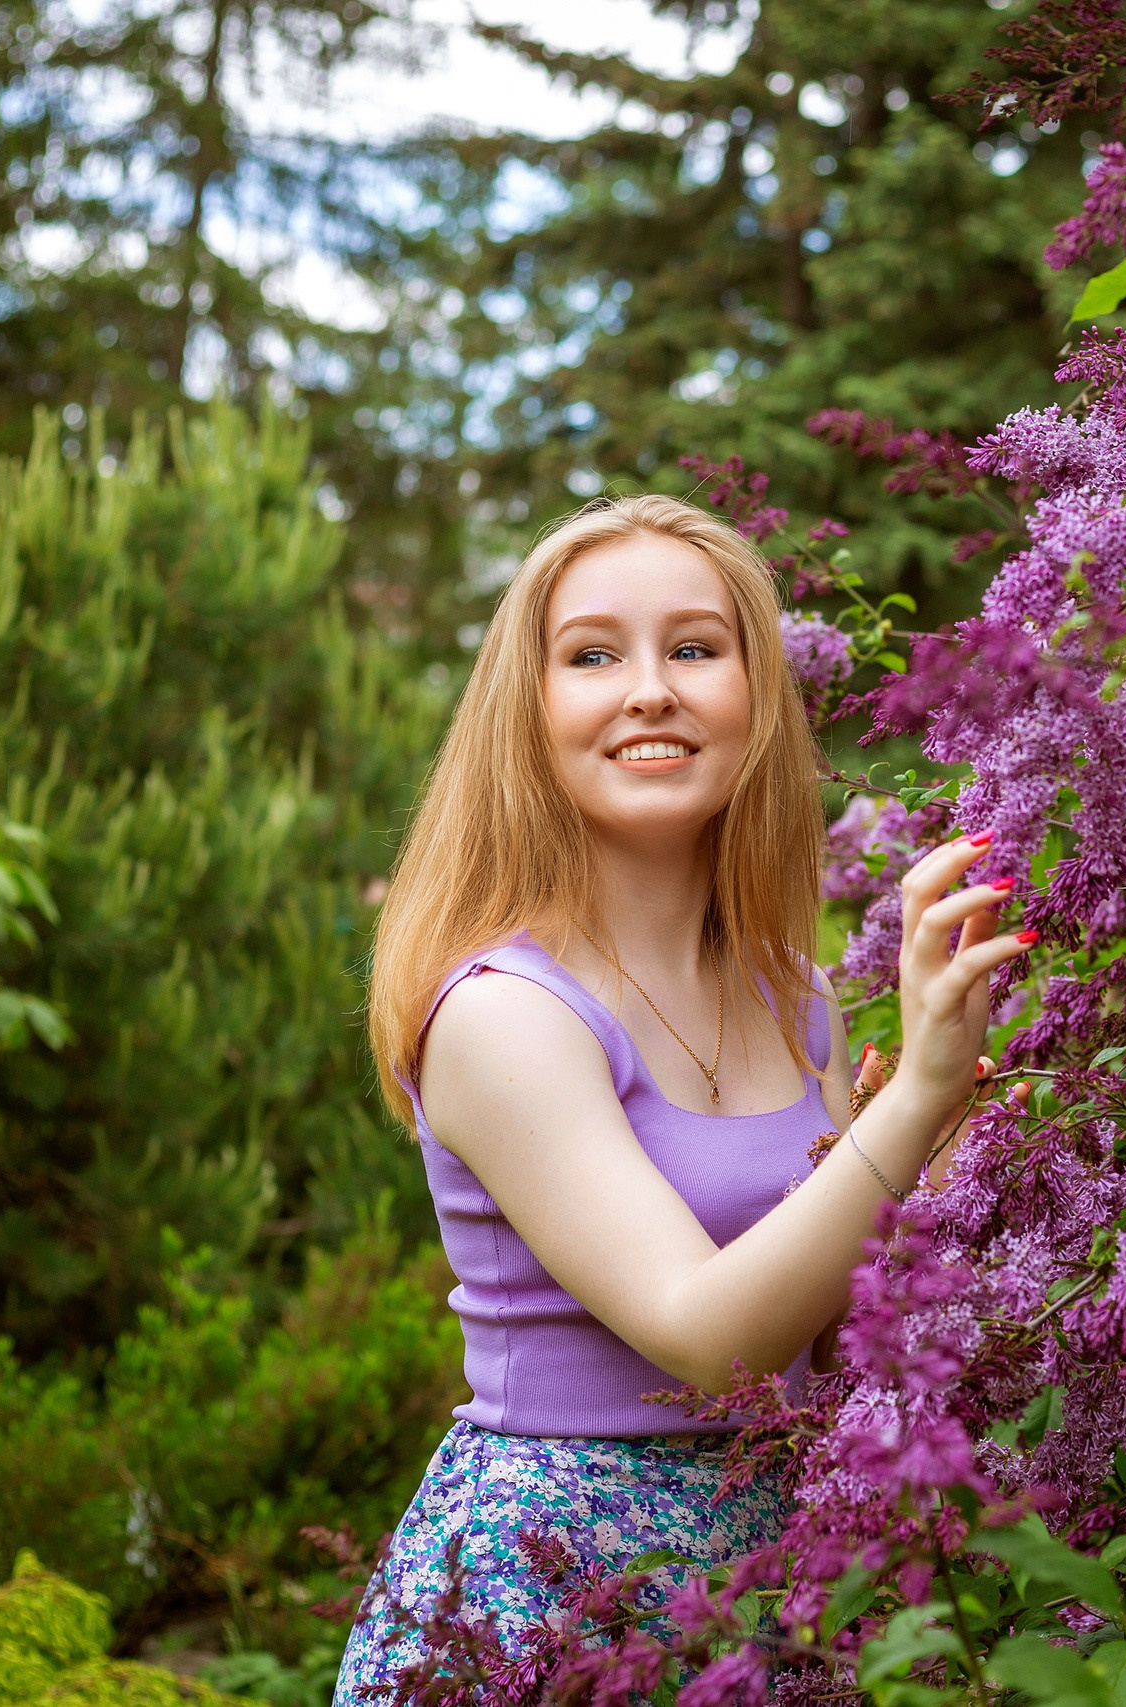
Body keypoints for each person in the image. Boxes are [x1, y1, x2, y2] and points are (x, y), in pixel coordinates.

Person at [338, 493, 1029, 1695]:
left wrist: (941, 1155)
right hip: (542, 1599)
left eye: (696, 649)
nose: (650, 690)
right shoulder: (506, 1013)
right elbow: (711, 1345)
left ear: (756, 697)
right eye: (592, 656)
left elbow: (823, 1343)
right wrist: (912, 1099)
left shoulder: (792, 994)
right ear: (527, 712)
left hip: (773, 1589)